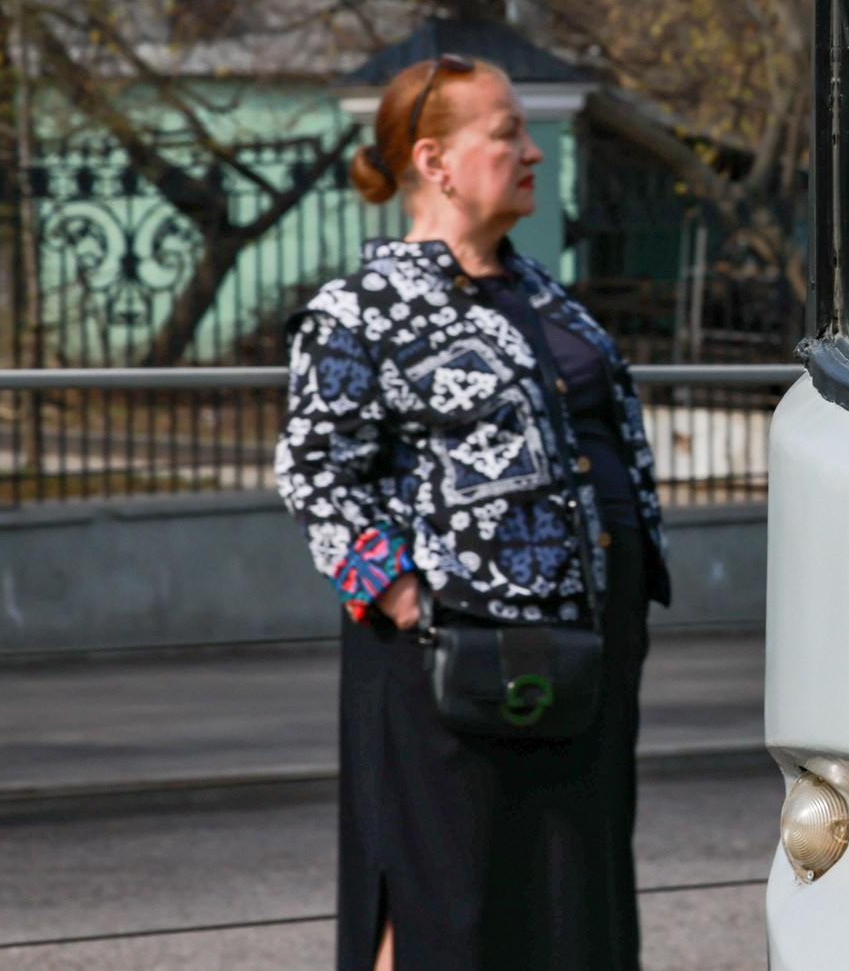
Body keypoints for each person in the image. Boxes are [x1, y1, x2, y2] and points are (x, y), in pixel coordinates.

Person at [275, 54, 670, 971]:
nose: (533, 152)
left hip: (584, 654)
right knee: (444, 902)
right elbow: (316, 472)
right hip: (451, 663)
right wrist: (407, 598)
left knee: (570, 902)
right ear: (435, 161)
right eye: (507, 133)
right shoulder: (359, 310)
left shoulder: (543, 294)